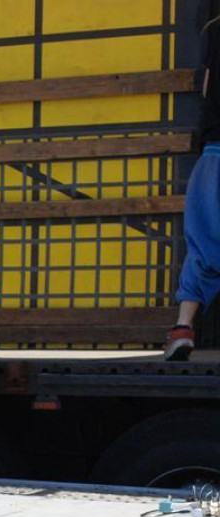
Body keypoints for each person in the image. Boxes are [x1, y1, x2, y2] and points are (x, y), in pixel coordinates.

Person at [165, 15, 220, 361]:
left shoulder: (214, 28)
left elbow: (205, 88)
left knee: (203, 243)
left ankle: (184, 328)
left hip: (216, 152)